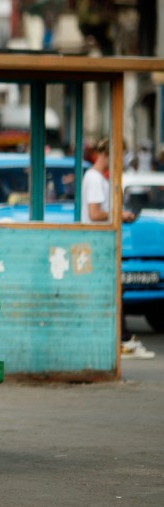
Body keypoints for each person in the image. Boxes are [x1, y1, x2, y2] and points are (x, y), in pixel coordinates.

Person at [81, 139, 155, 359]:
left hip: (100, 245)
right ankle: (123, 339)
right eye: (120, 154)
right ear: (108, 153)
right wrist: (119, 215)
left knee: (114, 290)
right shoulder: (94, 178)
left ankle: (122, 338)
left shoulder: (97, 178)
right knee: (114, 290)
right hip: (97, 245)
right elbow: (94, 214)